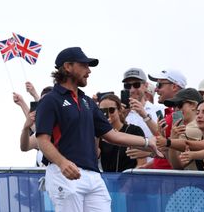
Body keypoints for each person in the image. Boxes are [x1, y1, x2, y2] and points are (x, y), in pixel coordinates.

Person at [35, 47, 162, 212]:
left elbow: (111, 135)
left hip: (93, 176)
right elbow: (42, 140)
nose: (89, 71)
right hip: (63, 173)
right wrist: (62, 162)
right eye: (84, 65)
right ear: (68, 66)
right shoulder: (50, 100)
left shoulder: (87, 101)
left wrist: (147, 142)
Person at [156, 88, 203, 170]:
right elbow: (174, 163)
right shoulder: (186, 128)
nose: (176, 110)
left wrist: (169, 142)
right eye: (174, 107)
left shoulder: (193, 128)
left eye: (179, 105)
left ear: (193, 105)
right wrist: (167, 143)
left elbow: (177, 166)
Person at [98, 94, 146, 172]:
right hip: (108, 181)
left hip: (130, 179)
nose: (107, 114)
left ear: (120, 111)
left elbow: (142, 163)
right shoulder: (99, 134)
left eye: (111, 110)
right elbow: (95, 156)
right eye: (102, 111)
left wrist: (127, 181)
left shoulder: (134, 130)